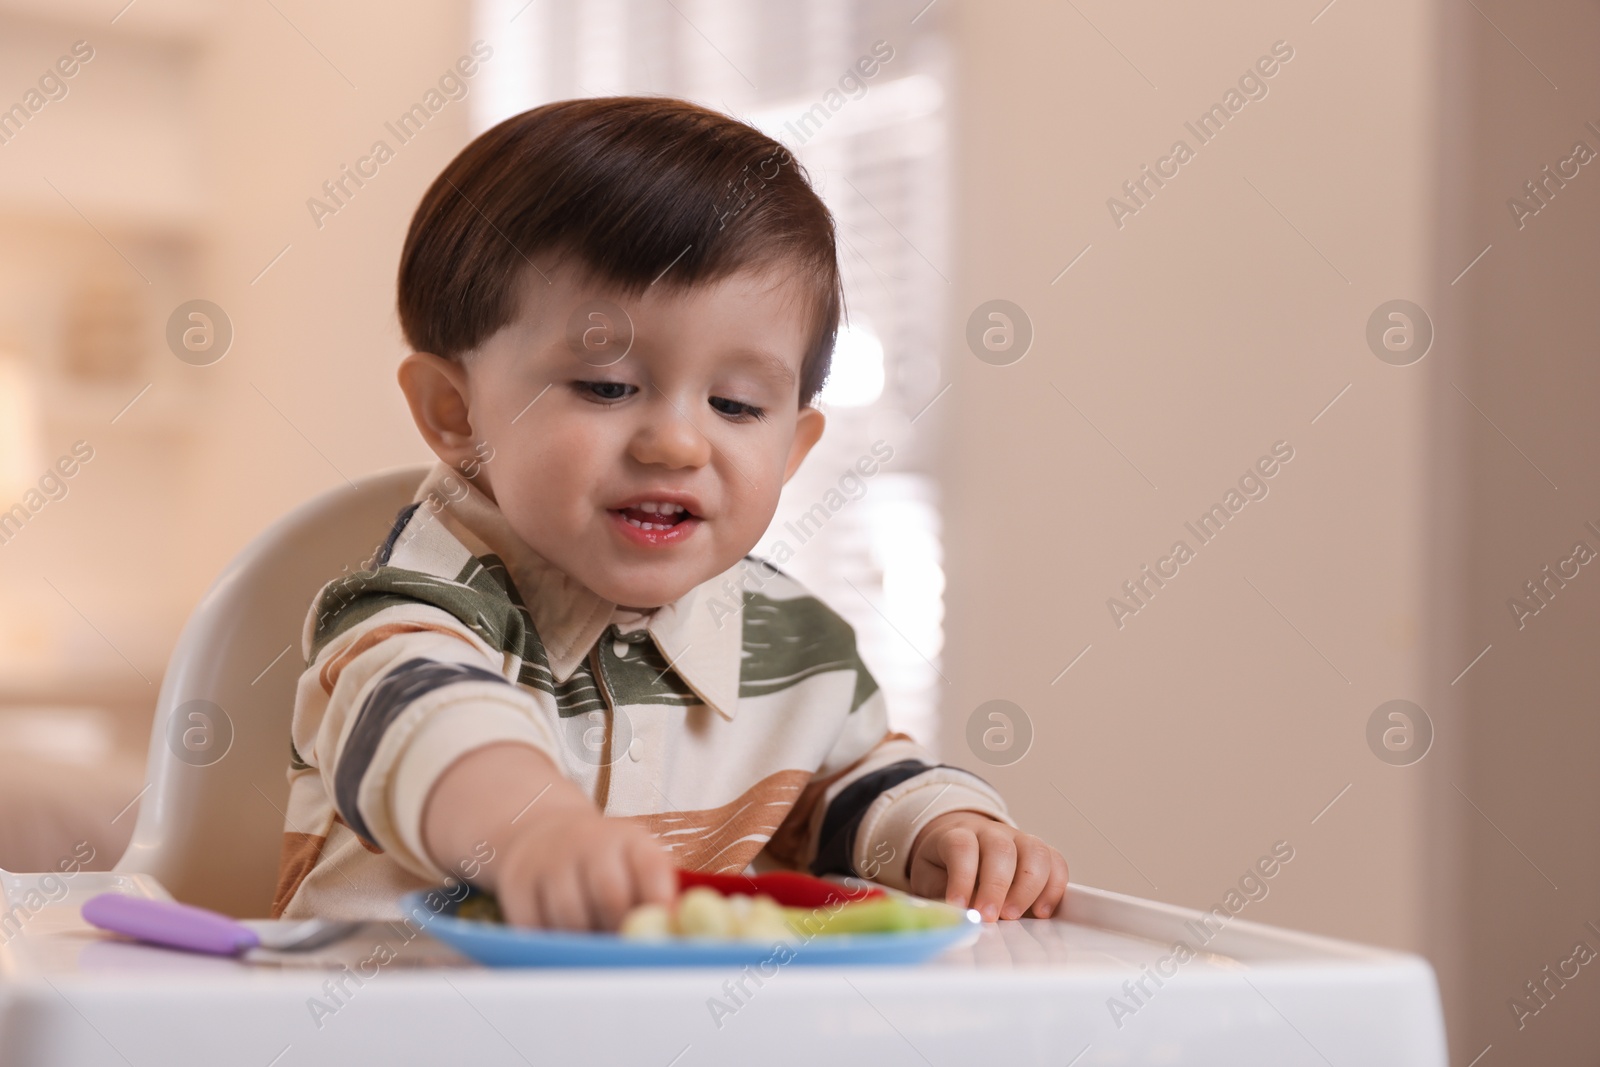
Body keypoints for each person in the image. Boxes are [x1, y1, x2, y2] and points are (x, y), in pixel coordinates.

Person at [272, 96, 1069, 931]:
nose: (678, 444)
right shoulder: (414, 609)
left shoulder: (795, 647)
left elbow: (853, 790)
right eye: (608, 386)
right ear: (455, 411)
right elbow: (430, 726)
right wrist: (533, 829)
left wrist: (946, 832)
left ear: (793, 449)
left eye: (736, 403)